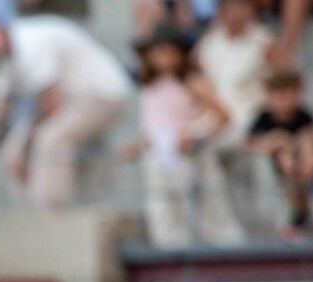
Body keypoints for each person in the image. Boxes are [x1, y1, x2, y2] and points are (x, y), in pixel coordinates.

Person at [0, 15, 135, 209]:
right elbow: (1, 116)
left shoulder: (30, 41)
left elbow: (51, 103)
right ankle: (36, 208)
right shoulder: (3, 61)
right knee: (12, 153)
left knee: (50, 139)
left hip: (104, 95)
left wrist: (26, 144)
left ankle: (50, 213)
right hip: (70, 102)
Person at [126, 26, 244, 245]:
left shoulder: (192, 82)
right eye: (157, 52)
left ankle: (225, 256)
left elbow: (223, 116)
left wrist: (196, 136)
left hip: (191, 156)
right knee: (163, 210)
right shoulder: (149, 86)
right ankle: (169, 258)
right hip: (159, 157)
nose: (163, 58)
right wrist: (139, 144)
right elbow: (153, 122)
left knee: (210, 209)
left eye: (168, 51)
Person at [195, 0, 275, 146]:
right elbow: (197, 82)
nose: (236, 15)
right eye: (231, 9)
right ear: (221, 13)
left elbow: (279, 79)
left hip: (251, 115)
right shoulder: (208, 43)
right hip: (214, 115)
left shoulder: (264, 40)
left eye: (241, 8)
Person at [247, 67, 313, 239]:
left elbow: (307, 137)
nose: (285, 101)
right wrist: (276, 143)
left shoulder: (303, 115)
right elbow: (250, 142)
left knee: (305, 141)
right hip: (282, 169)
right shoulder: (264, 117)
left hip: (301, 166)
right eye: (279, 95)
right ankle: (295, 218)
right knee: (281, 147)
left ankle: (300, 216)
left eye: (290, 94)